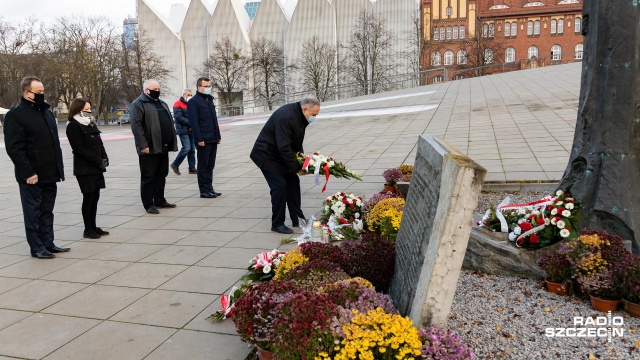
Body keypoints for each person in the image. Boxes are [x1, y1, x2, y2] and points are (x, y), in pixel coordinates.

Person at [3, 76, 69, 259]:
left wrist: (58, 169)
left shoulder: (46, 112)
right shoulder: (15, 115)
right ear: (27, 93)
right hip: (32, 175)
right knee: (33, 212)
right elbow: (14, 148)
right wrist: (28, 172)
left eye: (42, 92)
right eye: (38, 92)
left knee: (47, 210)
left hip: (50, 172)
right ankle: (36, 247)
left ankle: (48, 242)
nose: (42, 95)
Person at [250, 95, 320, 234]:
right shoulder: (287, 117)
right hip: (267, 155)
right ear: (305, 108)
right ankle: (277, 223)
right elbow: (284, 147)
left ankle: (297, 218)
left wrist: (300, 156)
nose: (314, 118)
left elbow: (295, 141)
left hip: (280, 155)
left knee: (293, 183)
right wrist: (297, 168)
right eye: (313, 114)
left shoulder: (300, 116)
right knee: (279, 187)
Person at [129, 79, 178, 214]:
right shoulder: (138, 104)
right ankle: (148, 203)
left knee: (161, 174)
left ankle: (160, 200)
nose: (158, 91)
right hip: (149, 148)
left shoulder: (161, 103)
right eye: (155, 89)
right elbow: (136, 126)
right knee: (148, 177)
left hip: (163, 146)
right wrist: (143, 145)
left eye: (158, 89)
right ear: (146, 90)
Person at [66, 98, 110, 239]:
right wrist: (98, 161)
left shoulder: (90, 123)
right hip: (85, 168)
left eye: (90, 109)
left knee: (95, 197)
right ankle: (88, 229)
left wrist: (105, 157)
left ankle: (93, 226)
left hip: (96, 166)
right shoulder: (73, 125)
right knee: (88, 197)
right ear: (78, 110)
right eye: (86, 109)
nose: (89, 111)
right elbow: (79, 149)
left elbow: (99, 143)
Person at [188, 77, 222, 198]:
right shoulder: (194, 101)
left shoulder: (209, 100)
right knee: (203, 166)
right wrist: (199, 139)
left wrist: (218, 136)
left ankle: (210, 188)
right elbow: (194, 122)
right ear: (199, 87)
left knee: (210, 165)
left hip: (212, 137)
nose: (209, 88)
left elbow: (214, 120)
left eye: (209, 86)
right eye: (206, 86)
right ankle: (204, 190)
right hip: (203, 139)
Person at [170, 89, 196, 175]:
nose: (190, 96)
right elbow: (178, 117)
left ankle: (192, 168)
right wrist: (191, 123)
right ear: (184, 95)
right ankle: (175, 164)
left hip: (191, 129)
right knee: (187, 148)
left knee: (192, 149)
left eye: (191, 95)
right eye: (188, 95)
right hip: (183, 129)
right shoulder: (178, 104)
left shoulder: (192, 104)